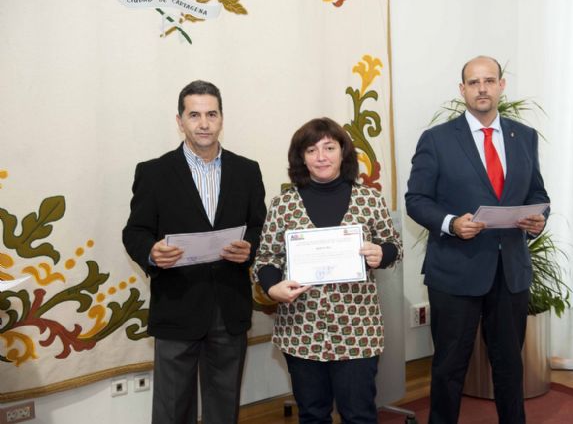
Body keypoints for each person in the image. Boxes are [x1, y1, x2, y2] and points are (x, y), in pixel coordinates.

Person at [405, 56, 550, 424]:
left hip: (510, 272)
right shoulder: (436, 139)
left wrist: (538, 219)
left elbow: (537, 193)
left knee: (509, 366)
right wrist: (451, 223)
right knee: (449, 367)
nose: (482, 88)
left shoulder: (524, 137)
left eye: (489, 80)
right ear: (462, 90)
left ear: (502, 85)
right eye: (473, 82)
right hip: (456, 270)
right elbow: (416, 199)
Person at [122, 80, 266, 424]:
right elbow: (135, 231)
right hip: (177, 304)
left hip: (229, 307)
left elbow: (261, 228)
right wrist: (151, 252)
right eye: (195, 115)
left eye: (211, 114)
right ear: (180, 120)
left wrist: (250, 248)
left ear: (221, 118)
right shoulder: (154, 173)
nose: (204, 123)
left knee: (223, 406)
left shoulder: (247, 170)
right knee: (172, 409)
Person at [252, 117, 402, 424]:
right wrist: (271, 287)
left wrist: (381, 252)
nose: (321, 156)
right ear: (301, 158)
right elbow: (266, 257)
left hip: (358, 328)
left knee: (359, 415)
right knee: (313, 415)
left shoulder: (369, 198)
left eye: (329, 147)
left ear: (343, 153)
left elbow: (393, 246)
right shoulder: (283, 204)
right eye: (311, 150)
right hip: (302, 330)